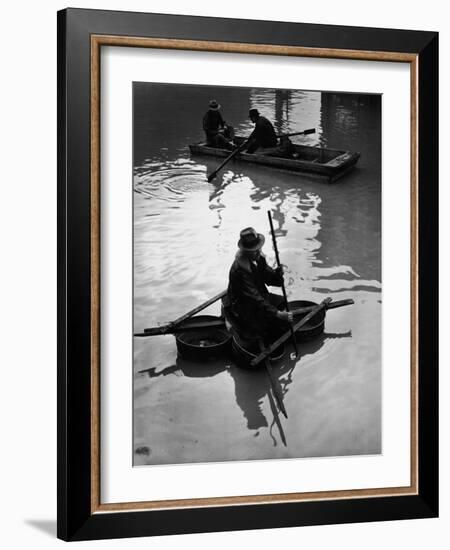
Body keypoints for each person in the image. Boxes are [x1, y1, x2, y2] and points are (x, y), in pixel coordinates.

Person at [225, 227, 293, 342]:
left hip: (259, 297)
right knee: (269, 327)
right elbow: (254, 297)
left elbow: (270, 279)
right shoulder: (239, 270)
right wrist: (277, 313)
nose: (257, 252)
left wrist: (277, 274)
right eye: (253, 251)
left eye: (258, 249)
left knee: (283, 302)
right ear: (245, 252)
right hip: (243, 307)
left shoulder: (258, 257)